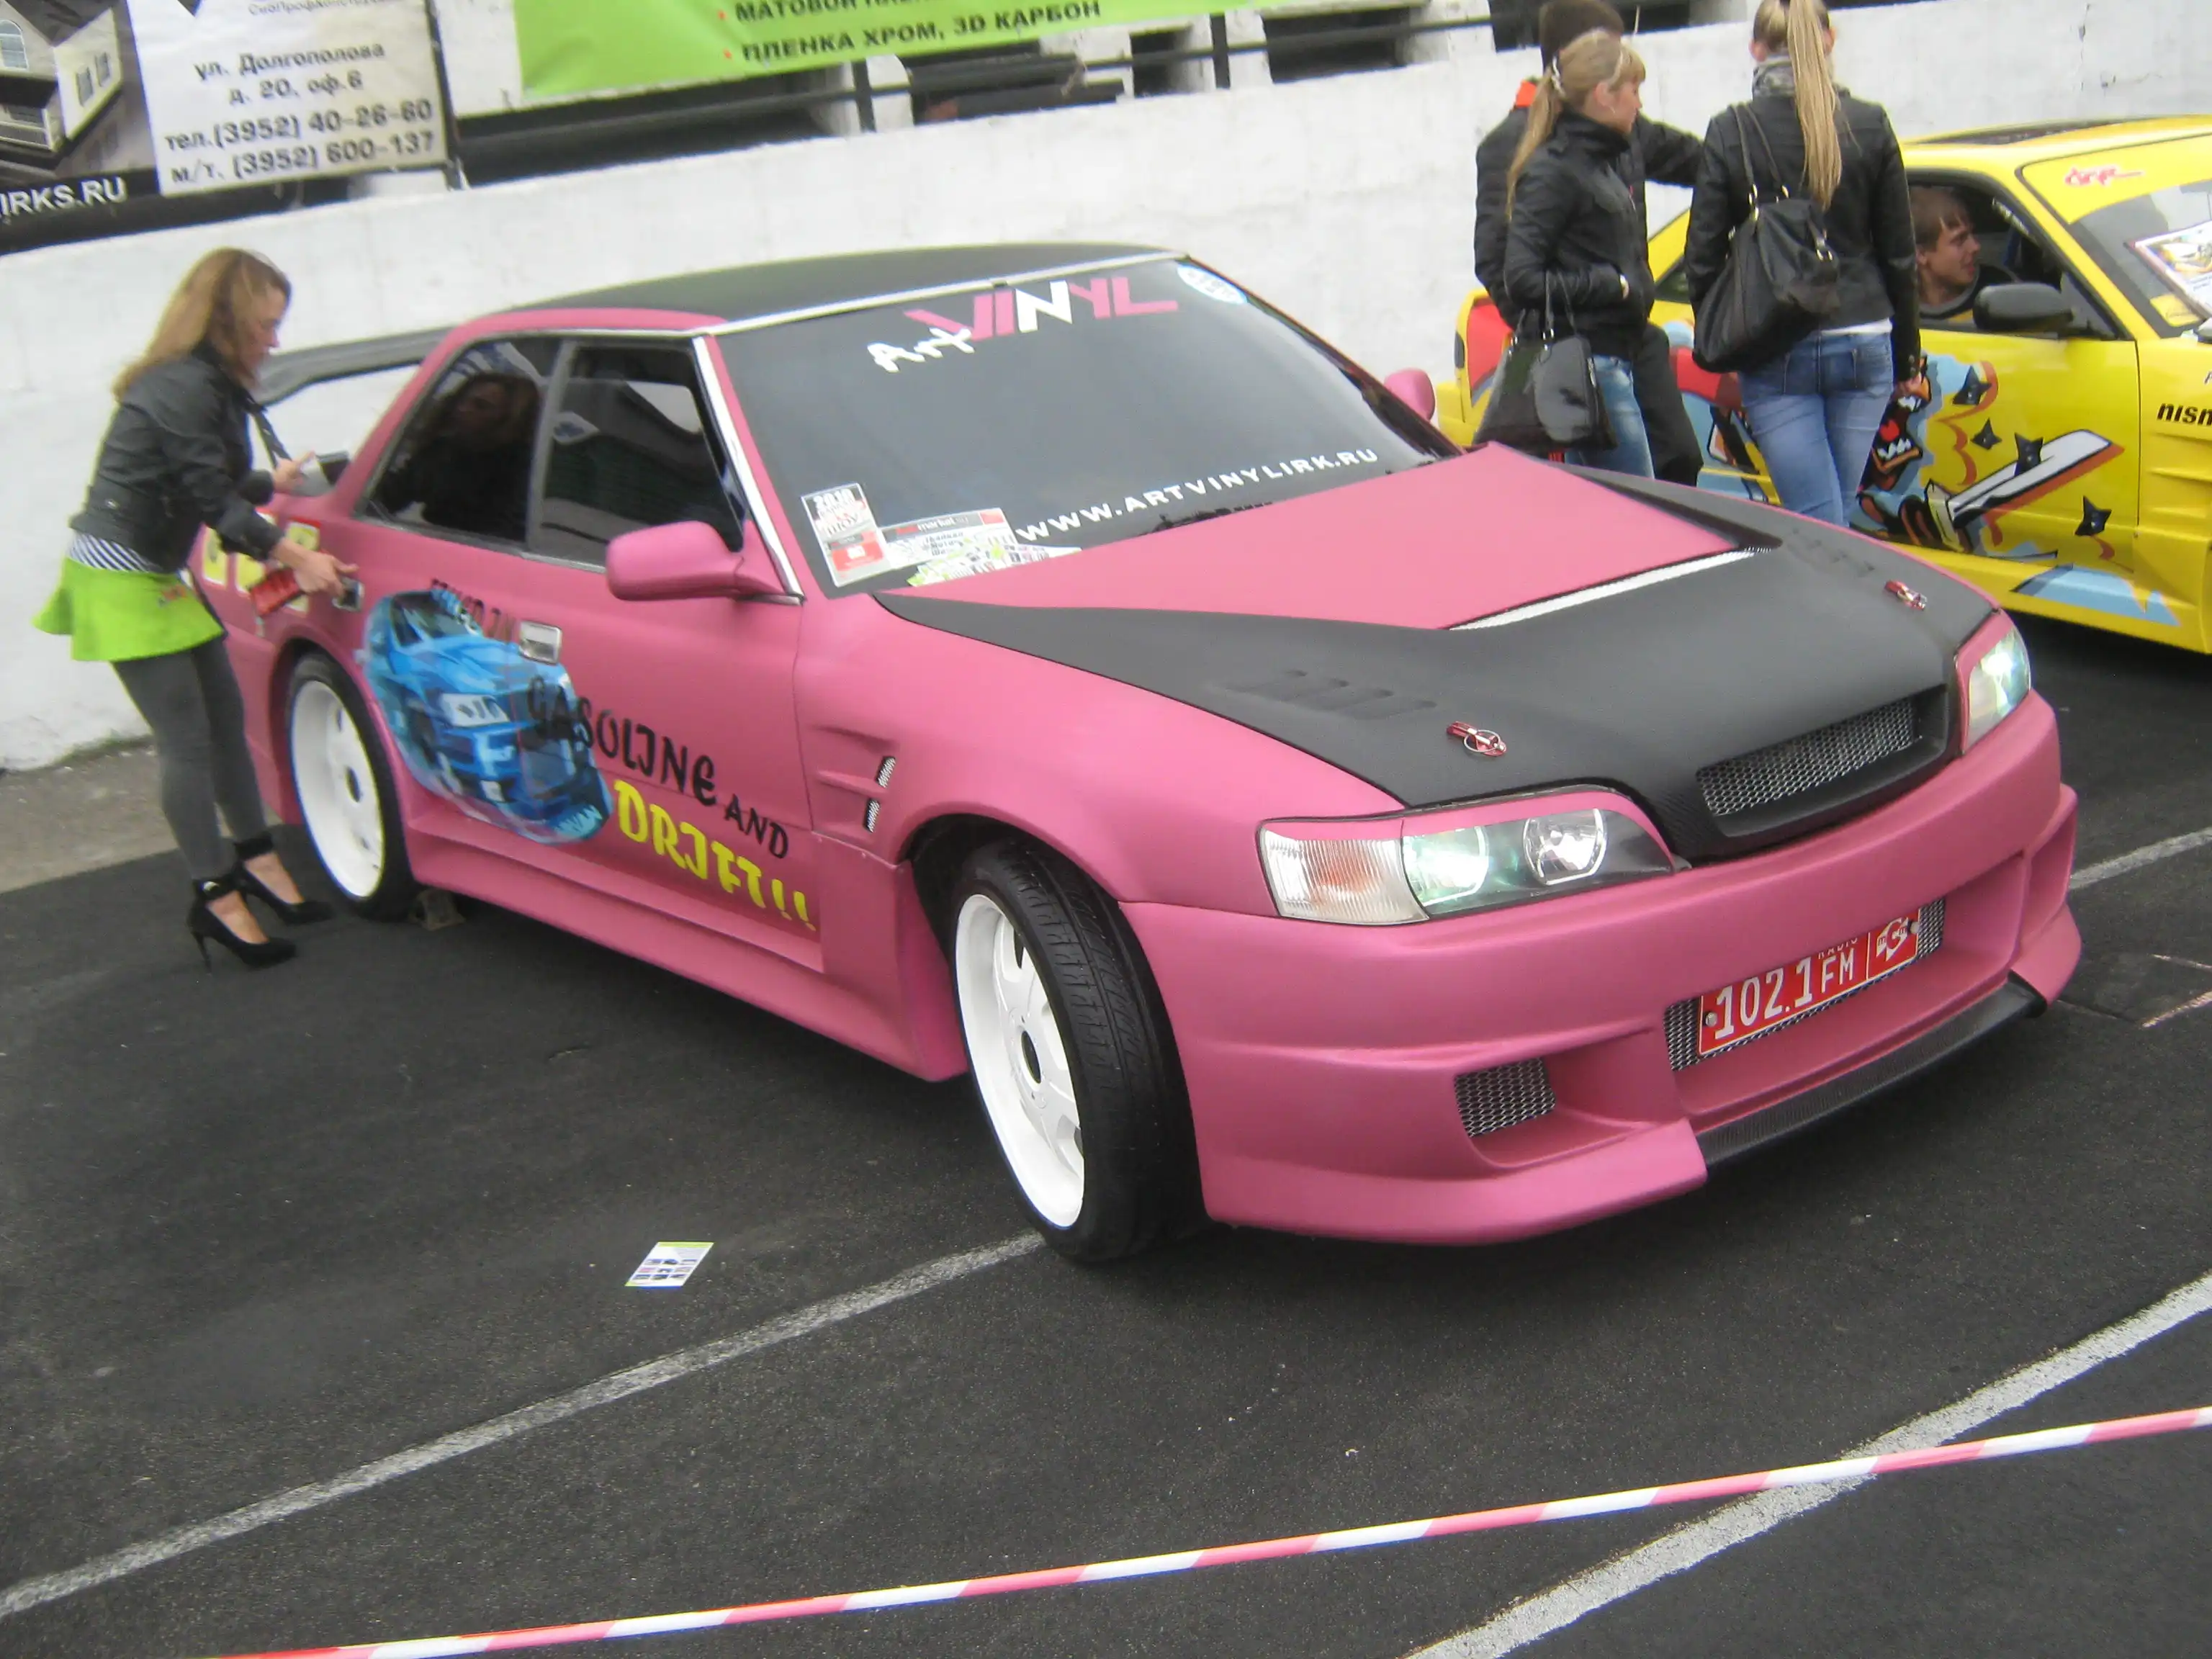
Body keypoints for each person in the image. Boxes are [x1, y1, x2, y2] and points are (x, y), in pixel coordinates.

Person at [32, 249, 357, 968]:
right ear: (227, 320)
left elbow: (202, 480)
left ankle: (257, 860)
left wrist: (267, 482)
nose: (274, 340)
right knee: (185, 741)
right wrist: (297, 557)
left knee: (225, 723)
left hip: (156, 570)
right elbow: (212, 503)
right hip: (118, 576)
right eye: (265, 325)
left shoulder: (207, 381)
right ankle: (215, 893)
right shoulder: (181, 385)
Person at [1681, 0, 1921, 527]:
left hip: (1775, 343)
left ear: (1756, 50)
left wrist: (1724, 339)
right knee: (1833, 511)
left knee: (1817, 520)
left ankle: (1833, 583)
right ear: (1828, 40)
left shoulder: (1732, 130)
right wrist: (1907, 356)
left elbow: (1701, 257)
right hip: (1864, 335)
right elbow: (1899, 254)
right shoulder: (1869, 123)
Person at [1475, 0, 1705, 485]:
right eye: (1612, 56)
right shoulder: (1528, 151)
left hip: (1630, 336)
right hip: (1583, 346)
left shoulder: (1617, 135)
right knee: (1625, 493)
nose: (1636, 97)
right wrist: (1560, 337)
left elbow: (1699, 161)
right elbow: (1504, 265)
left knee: (1678, 461)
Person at [1502, 30, 1659, 477]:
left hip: (1611, 358)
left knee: (1610, 502)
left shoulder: (1599, 161)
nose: (1639, 103)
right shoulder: (1554, 170)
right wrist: (1612, 285)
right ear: (1604, 95)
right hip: (1590, 365)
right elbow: (1522, 277)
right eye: (1633, 90)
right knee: (1637, 504)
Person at [375, 371, 541, 540]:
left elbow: (506, 533)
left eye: (481, 406)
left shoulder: (527, 469)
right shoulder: (443, 450)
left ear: (510, 419)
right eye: (461, 401)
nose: (462, 409)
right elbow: (392, 494)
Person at [1912, 185, 1994, 323]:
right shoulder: (1896, 312)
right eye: (1960, 240)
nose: (1975, 247)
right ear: (1920, 254)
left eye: (1971, 233)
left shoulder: (1997, 291)